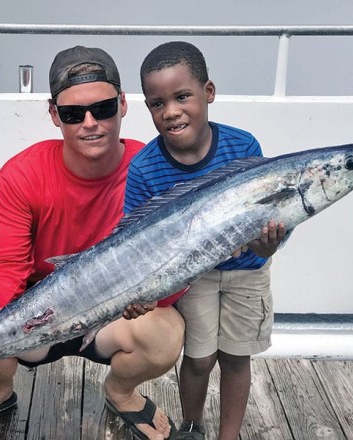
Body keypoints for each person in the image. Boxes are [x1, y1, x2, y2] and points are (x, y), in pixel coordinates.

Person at [0, 45, 185, 440]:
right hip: (36, 317)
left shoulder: (152, 170)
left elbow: (173, 265)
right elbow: (7, 266)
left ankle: (120, 392)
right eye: (73, 113)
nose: (90, 123)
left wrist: (155, 299)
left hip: (114, 317)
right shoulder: (21, 174)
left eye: (103, 108)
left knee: (166, 332)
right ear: (53, 114)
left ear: (124, 104)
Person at [124, 41, 287, 440]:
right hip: (192, 279)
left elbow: (267, 218)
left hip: (248, 273)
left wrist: (269, 245)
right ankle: (191, 428)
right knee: (198, 359)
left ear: (208, 93)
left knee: (235, 357)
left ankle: (227, 436)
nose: (171, 111)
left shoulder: (243, 146)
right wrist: (142, 292)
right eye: (157, 103)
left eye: (182, 97)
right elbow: (135, 245)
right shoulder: (144, 168)